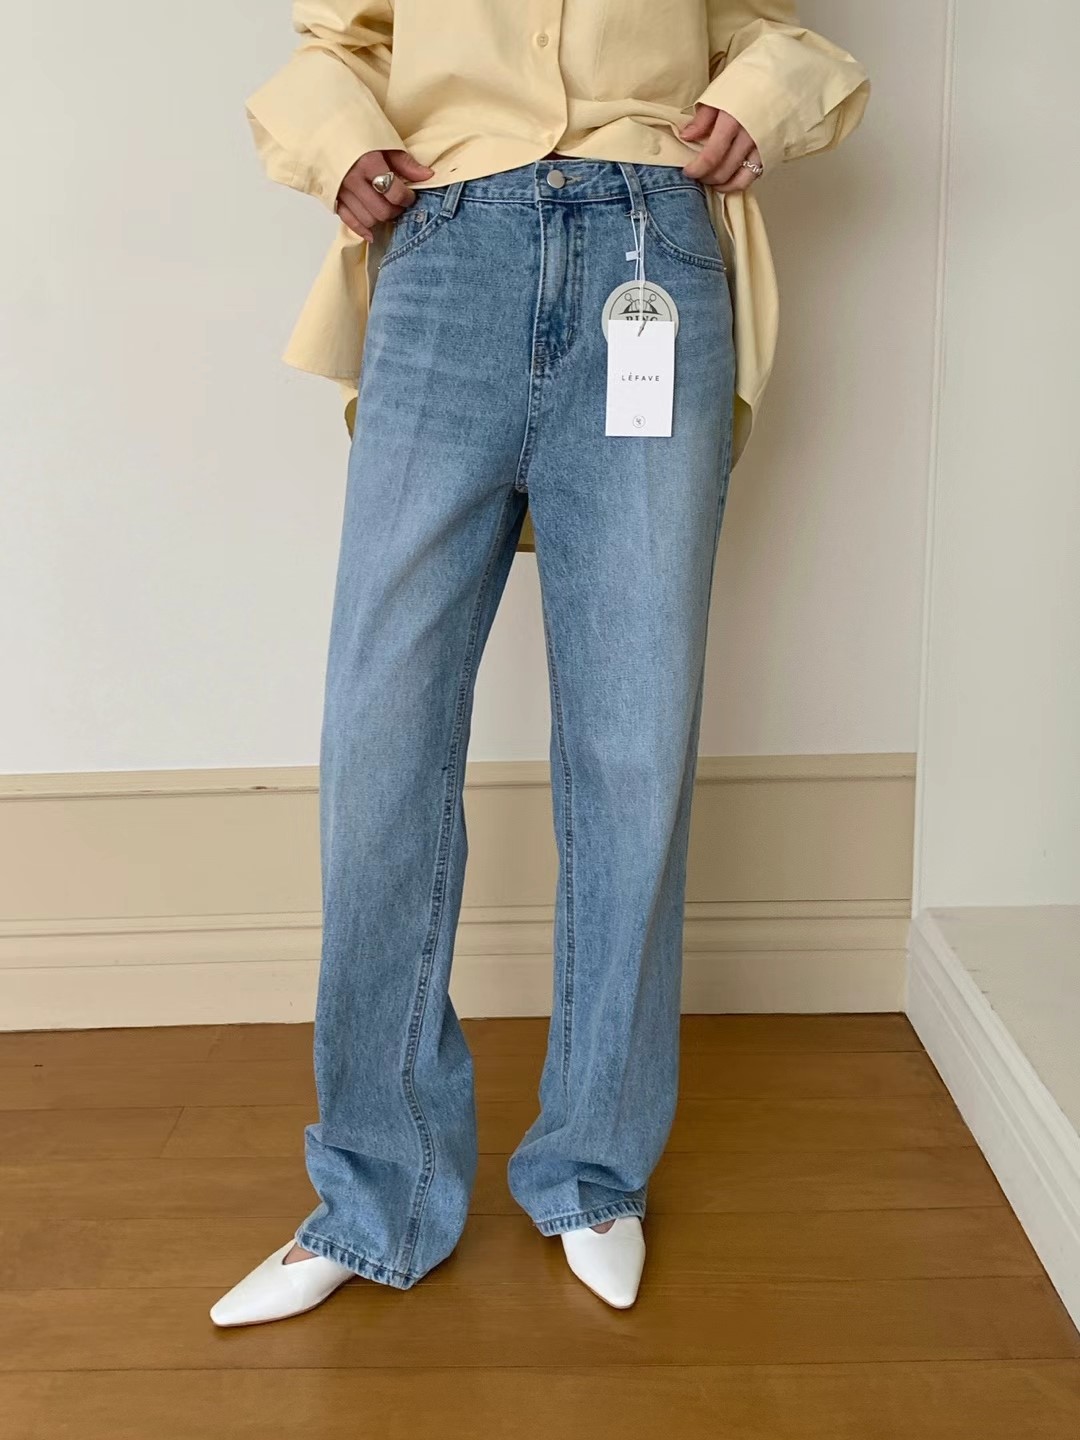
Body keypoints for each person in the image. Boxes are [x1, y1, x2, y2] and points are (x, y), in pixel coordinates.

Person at [210, 1, 869, 1326]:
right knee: (380, 736)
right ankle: (375, 1190)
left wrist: (758, 99)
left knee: (634, 739)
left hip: (651, 240)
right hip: (446, 248)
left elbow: (774, 28)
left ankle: (592, 1168)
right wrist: (340, 143)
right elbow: (341, 40)